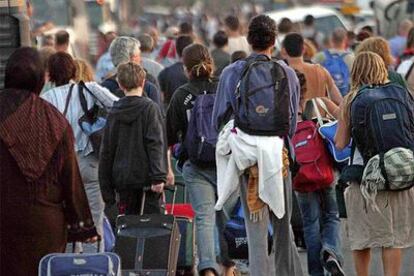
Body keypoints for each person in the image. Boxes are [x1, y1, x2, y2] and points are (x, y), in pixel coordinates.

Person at [213, 14, 304, 276]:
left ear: (249, 40)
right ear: (274, 41)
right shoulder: (287, 73)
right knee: (283, 224)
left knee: (256, 230)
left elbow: (219, 117)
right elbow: (291, 122)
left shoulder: (232, 72)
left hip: (247, 158)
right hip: (279, 155)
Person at [0, 47, 98, 276]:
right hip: (44, 228)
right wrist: (83, 224)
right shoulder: (54, 121)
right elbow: (69, 178)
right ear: (39, 79)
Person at [335, 51, 414, 276]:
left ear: (356, 71)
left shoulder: (351, 99)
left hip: (365, 180)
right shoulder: (401, 94)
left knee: (363, 239)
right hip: (400, 176)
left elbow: (340, 143)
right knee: (392, 239)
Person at [166, 44, 234, 276]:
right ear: (211, 64)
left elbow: (169, 135)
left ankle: (207, 269)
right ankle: (229, 266)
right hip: (226, 164)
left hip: (196, 166)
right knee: (225, 218)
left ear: (186, 69)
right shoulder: (223, 89)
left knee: (204, 218)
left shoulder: (181, 95)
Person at [41, 52, 118, 252]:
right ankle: (94, 268)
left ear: (50, 74)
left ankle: (69, 266)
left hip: (61, 169)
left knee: (66, 222)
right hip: (89, 161)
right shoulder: (90, 89)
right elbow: (118, 106)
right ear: (73, 70)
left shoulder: (46, 99)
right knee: (94, 220)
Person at [282, 33, 345, 276]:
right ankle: (330, 250)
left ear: (285, 51)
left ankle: (315, 272)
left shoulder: (282, 77)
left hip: (300, 161)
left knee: (309, 222)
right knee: (331, 214)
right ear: (305, 48)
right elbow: (341, 108)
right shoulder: (319, 71)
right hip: (323, 160)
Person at [99, 62, 167, 215]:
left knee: (127, 229)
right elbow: (154, 142)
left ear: (120, 85)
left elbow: (107, 151)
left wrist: (107, 191)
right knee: (149, 230)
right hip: (147, 180)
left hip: (122, 181)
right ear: (143, 82)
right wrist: (158, 177)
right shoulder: (150, 108)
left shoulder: (114, 112)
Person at [101, 36, 161, 104]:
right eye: (139, 55)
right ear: (132, 58)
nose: (141, 59)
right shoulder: (149, 83)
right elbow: (158, 112)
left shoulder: (105, 87)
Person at [313, 28, 355, 96]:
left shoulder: (320, 56)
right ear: (345, 39)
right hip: (345, 96)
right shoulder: (351, 57)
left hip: (326, 96)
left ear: (332, 39)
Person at [158, 35, 194, 106]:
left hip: (171, 112)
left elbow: (161, 99)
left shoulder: (165, 72)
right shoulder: (201, 72)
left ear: (176, 50)